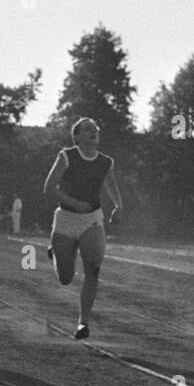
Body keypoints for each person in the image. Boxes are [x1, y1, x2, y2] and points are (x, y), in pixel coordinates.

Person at [42, 117, 122, 339]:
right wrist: (75, 203)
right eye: (86, 129)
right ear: (76, 136)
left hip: (92, 219)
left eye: (95, 129)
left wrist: (118, 205)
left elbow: (111, 183)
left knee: (93, 269)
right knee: (66, 278)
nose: (92, 131)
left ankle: (82, 322)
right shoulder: (67, 156)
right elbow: (49, 188)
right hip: (66, 219)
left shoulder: (106, 162)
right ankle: (55, 253)